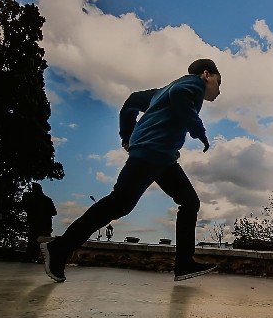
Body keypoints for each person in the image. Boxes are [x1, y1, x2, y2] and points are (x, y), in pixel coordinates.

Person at [41, 59, 222, 282]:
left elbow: (132, 101)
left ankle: (184, 263)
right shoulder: (193, 84)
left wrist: (126, 135)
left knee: (189, 202)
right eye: (218, 83)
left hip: (162, 158)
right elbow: (179, 97)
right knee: (119, 203)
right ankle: (59, 248)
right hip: (151, 152)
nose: (218, 91)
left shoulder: (161, 92)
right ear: (206, 75)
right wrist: (199, 131)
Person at [22, 182, 57, 262]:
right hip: (43, 224)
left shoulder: (33, 199)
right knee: (41, 241)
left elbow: (54, 212)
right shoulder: (46, 199)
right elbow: (54, 212)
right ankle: (37, 257)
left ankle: (30, 257)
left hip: (36, 223)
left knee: (32, 240)